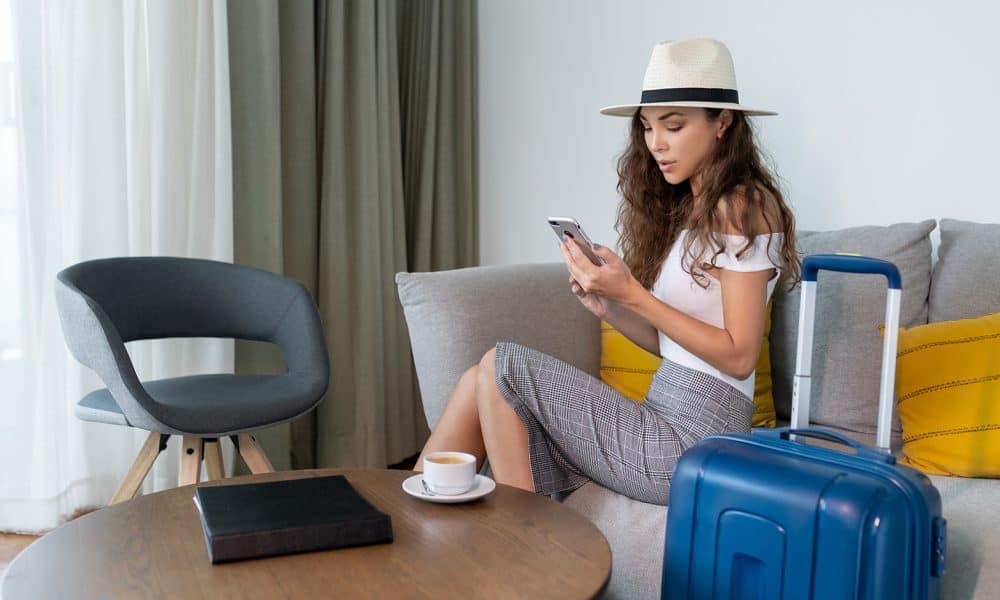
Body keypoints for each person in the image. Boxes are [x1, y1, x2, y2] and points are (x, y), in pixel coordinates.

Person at [415, 38, 800, 505]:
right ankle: (416, 528)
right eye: (647, 127)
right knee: (478, 378)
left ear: (723, 123)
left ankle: (518, 548)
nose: (656, 144)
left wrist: (634, 294)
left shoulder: (742, 205)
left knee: (502, 365)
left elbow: (739, 356)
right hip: (664, 417)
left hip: (697, 442)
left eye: (673, 126)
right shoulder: (695, 209)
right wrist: (606, 305)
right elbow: (674, 345)